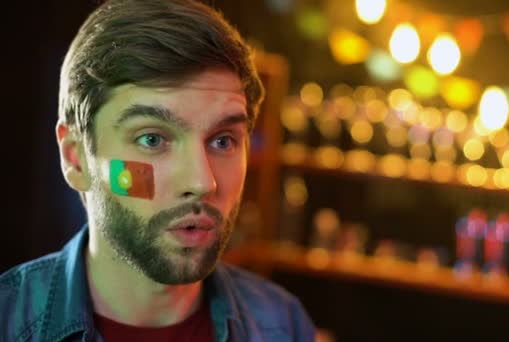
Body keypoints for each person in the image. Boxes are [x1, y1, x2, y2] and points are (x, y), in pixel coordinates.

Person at [0, 0, 315, 340]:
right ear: (76, 158)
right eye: (152, 139)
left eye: (223, 141)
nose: (202, 182)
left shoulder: (283, 324)